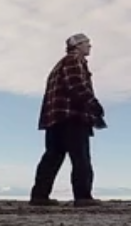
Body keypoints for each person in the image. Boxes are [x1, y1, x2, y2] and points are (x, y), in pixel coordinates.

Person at [30, 33, 107, 207]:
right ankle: (83, 197)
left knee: (52, 156)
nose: (90, 46)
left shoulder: (60, 64)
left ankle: (39, 196)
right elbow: (76, 85)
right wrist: (93, 104)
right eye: (87, 43)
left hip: (54, 118)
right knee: (80, 157)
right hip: (71, 116)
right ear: (77, 45)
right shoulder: (74, 61)